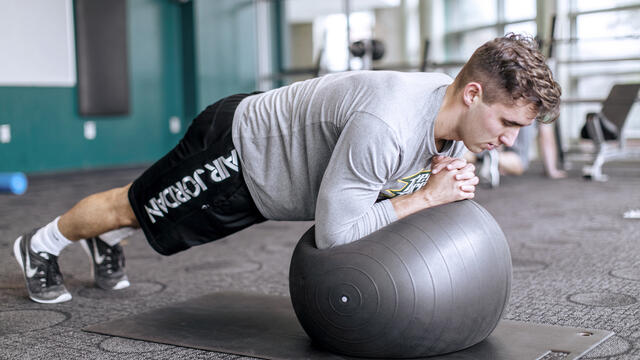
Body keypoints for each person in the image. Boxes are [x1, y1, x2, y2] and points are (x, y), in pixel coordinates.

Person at [13, 33, 561, 304]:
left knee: (145, 216)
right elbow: (336, 233)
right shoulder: (387, 126)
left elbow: (435, 153)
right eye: (507, 122)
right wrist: (425, 197)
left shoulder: (448, 106)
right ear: (470, 94)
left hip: (268, 177)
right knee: (134, 207)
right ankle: (40, 243)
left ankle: (106, 241)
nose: (510, 140)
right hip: (235, 156)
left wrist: (445, 169)